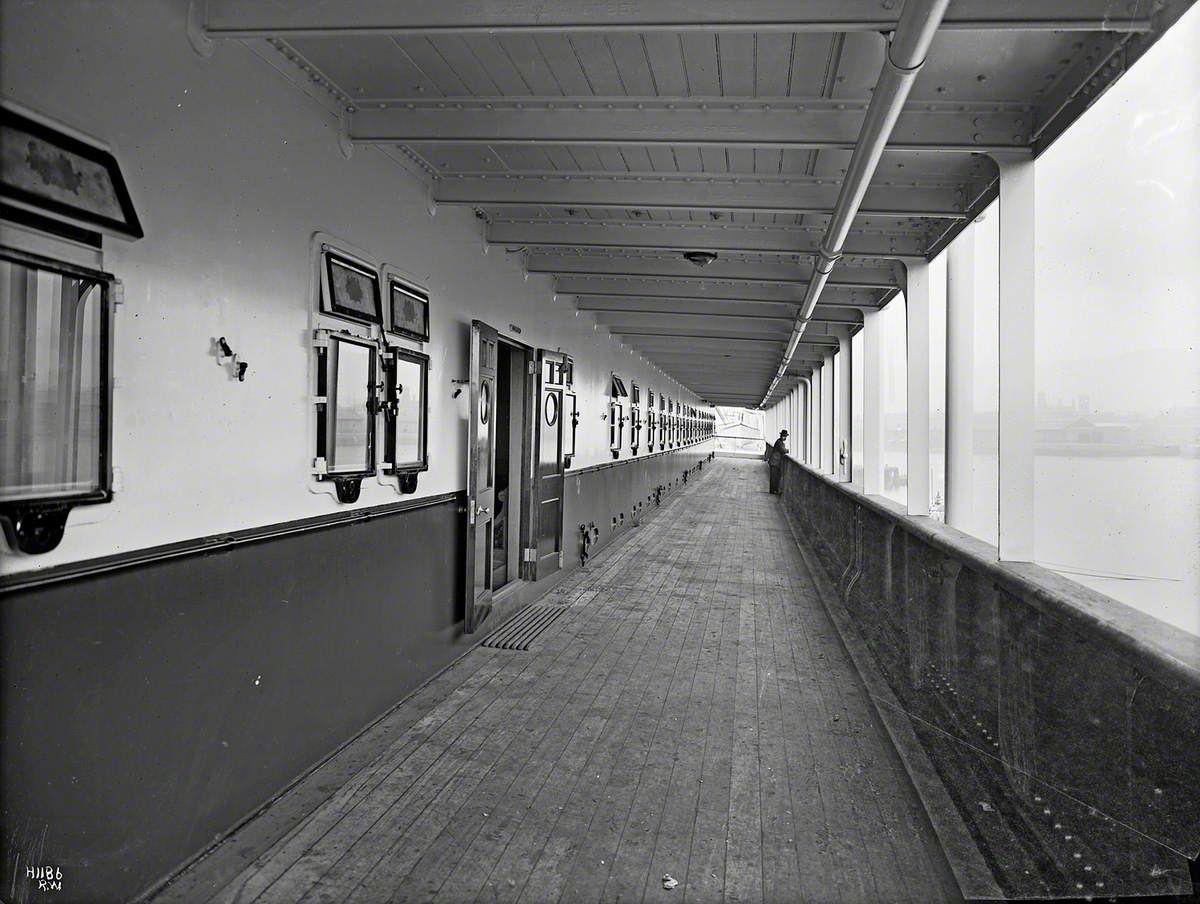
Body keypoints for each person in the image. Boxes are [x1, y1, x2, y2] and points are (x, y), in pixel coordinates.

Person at [767, 429, 789, 494]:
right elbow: (783, 450)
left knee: (775, 477)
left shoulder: (779, 442)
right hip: (774, 462)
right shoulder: (779, 442)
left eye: (785, 436)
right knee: (774, 477)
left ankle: (773, 490)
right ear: (782, 436)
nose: (785, 438)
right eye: (784, 436)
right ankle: (773, 490)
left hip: (775, 462)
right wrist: (788, 450)